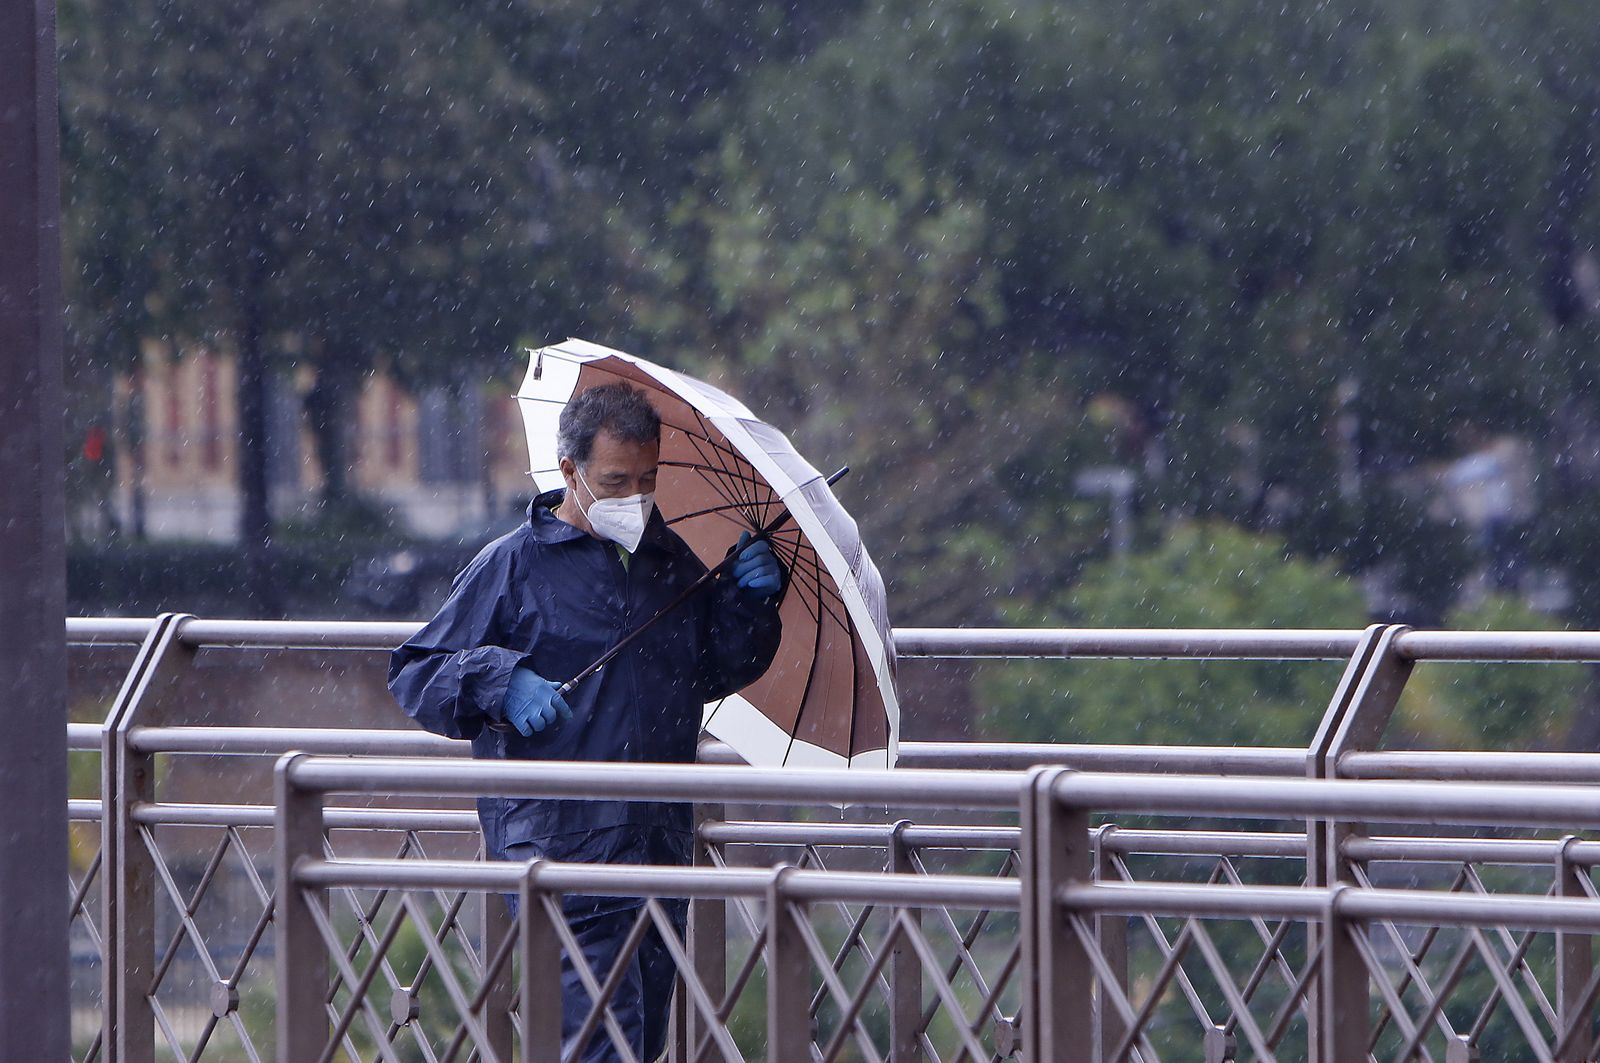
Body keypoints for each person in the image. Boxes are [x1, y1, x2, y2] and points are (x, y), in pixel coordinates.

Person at [388, 382, 784, 1062]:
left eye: (647, 478)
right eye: (615, 480)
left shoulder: (674, 565)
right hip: (557, 849)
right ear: (570, 470)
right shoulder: (513, 566)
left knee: (643, 1037)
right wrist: (501, 679)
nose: (635, 495)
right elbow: (415, 671)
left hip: (658, 846)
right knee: (605, 1044)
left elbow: (711, 670)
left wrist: (752, 603)